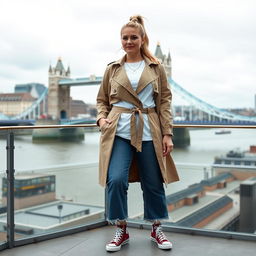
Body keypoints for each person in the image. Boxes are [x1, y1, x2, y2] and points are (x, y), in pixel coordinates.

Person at [96, 15, 179, 252]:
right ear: (120, 40)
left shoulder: (156, 68)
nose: (129, 41)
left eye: (134, 37)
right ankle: (121, 229)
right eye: (125, 37)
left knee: (153, 183)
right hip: (117, 132)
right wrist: (102, 119)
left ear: (142, 39)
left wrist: (167, 133)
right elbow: (102, 100)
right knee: (116, 180)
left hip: (149, 130)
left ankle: (156, 227)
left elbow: (164, 102)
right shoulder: (112, 69)